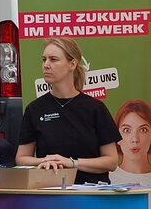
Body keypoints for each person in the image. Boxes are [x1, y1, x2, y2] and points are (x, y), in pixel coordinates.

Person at [15, 38, 121, 184]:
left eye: (53, 59)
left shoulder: (95, 108)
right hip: (50, 191)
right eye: (44, 59)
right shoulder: (35, 109)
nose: (46, 65)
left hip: (91, 194)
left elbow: (111, 161)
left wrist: (72, 163)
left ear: (72, 64)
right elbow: (21, 158)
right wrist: (44, 161)